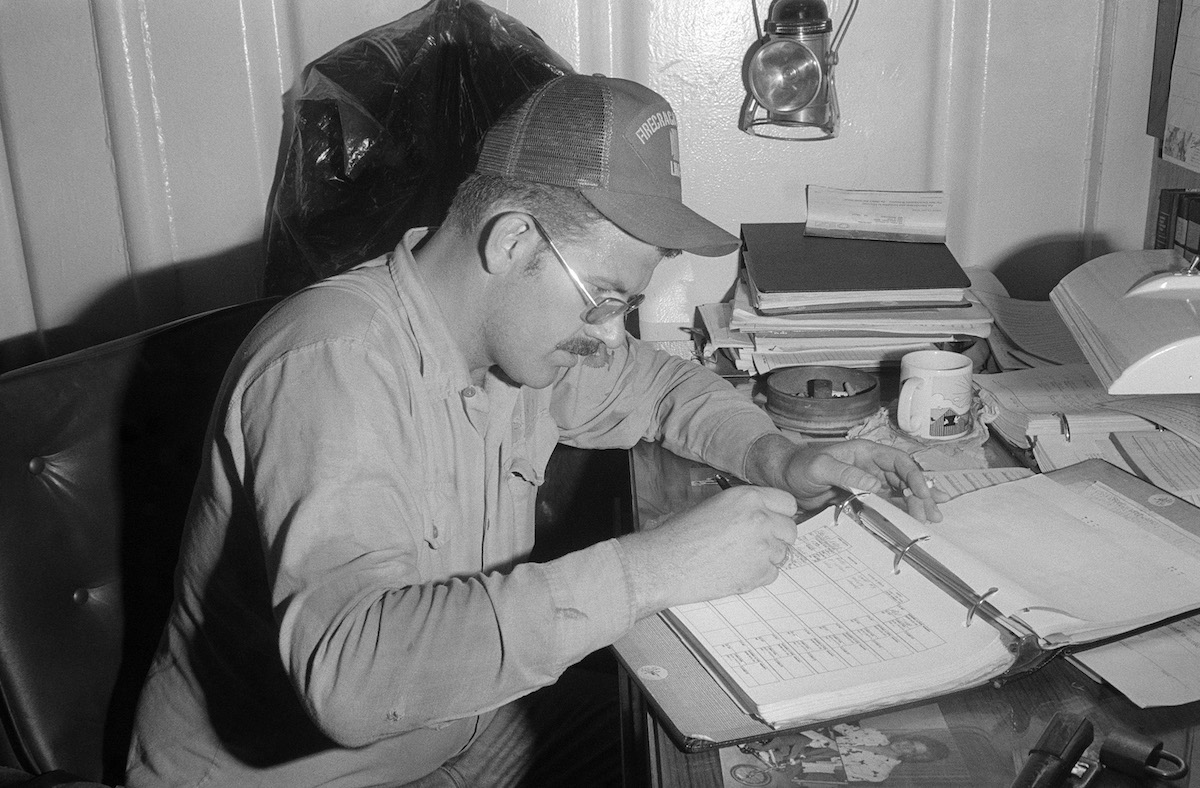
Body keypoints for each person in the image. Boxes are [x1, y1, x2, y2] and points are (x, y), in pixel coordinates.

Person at [125, 73, 944, 787]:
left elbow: (659, 386)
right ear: (514, 239)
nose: (613, 334)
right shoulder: (332, 367)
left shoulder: (515, 345)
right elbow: (353, 674)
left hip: (463, 741)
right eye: (609, 300)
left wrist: (782, 454)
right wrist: (649, 571)